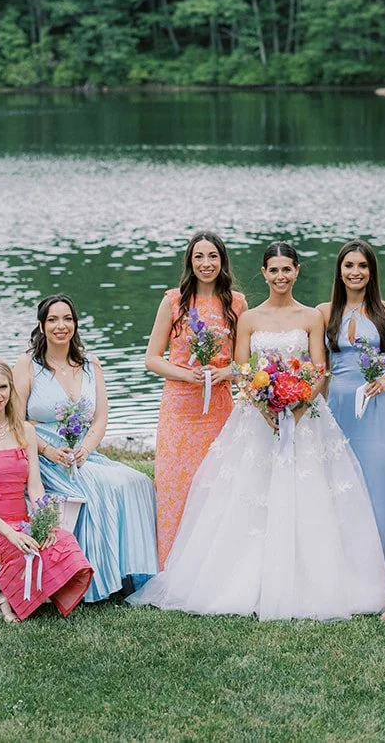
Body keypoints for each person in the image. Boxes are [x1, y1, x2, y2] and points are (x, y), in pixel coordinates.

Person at [129, 242, 385, 620]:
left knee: (314, 493)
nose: (281, 276)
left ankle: (320, 581)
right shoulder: (249, 317)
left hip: (306, 416)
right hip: (259, 415)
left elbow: (319, 369)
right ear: (264, 273)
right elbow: (242, 371)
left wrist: (299, 405)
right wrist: (263, 405)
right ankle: (238, 579)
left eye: (288, 269)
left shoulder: (311, 316)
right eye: (274, 270)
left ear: (297, 271)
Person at [15, 294, 158, 602]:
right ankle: (95, 579)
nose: (60, 325)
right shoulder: (28, 366)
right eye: (52, 319)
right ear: (41, 326)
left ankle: (130, 573)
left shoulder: (91, 364)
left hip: (84, 454)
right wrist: (47, 451)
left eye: (67, 318)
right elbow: (17, 422)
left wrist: (86, 447)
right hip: (46, 458)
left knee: (139, 482)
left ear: (75, 324)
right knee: (97, 485)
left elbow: (101, 417)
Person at [0, 359, 94, 623]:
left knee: (63, 542)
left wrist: (44, 524)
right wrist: (10, 534)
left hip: (23, 522)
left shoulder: (25, 431)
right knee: (28, 550)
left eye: (3, 387)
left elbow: (35, 486)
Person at [143, 231, 248, 566]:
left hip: (219, 406)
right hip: (179, 406)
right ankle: (171, 563)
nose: (206, 264)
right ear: (190, 261)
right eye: (199, 257)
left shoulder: (237, 303)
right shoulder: (174, 301)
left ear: (222, 261)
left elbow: (246, 363)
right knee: (176, 483)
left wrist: (228, 372)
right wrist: (186, 374)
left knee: (217, 481)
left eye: (213, 257)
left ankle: (212, 564)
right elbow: (152, 358)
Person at [317, 239, 385, 598]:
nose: (355, 272)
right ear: (339, 271)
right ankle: (348, 578)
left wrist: (384, 380)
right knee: (341, 488)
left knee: (382, 491)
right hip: (338, 407)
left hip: (379, 407)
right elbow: (319, 368)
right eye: (349, 266)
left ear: (372, 272)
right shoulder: (325, 313)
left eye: (362, 266)